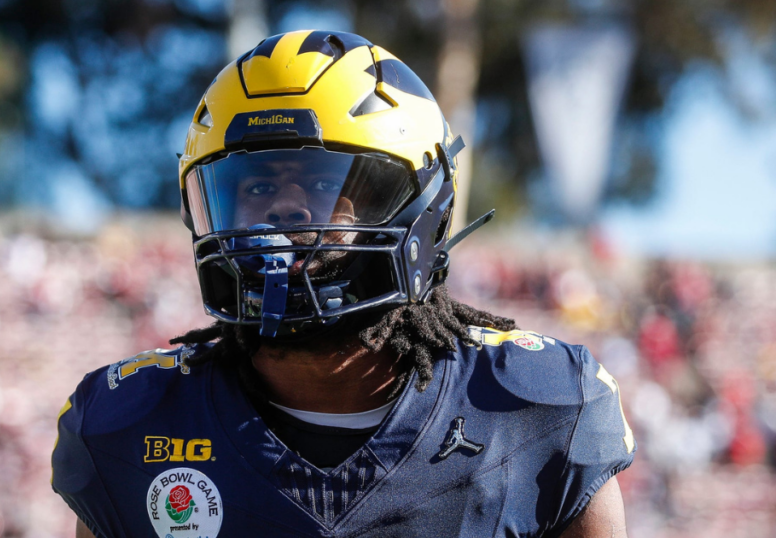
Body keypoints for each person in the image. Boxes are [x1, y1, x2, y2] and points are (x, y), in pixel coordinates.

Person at [52, 30, 635, 538]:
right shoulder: (130, 423)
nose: (285, 210)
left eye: (322, 183)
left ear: (419, 207)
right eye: (254, 188)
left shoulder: (542, 407)